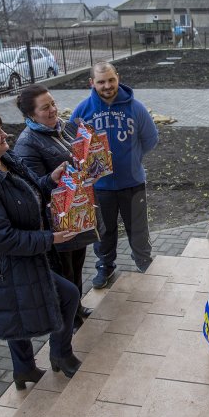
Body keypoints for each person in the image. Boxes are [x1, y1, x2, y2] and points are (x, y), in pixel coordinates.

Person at [0, 109, 83, 390]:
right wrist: (50, 239)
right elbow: (1, 237)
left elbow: (31, 193)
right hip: (2, 265)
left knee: (46, 303)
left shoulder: (5, 161)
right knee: (24, 312)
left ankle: (45, 360)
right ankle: (43, 362)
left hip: (24, 257)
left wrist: (51, 180)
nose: (4, 134)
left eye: (0, 128)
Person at [70, 62, 159, 288]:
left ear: (118, 78)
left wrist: (133, 159)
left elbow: (150, 138)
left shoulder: (135, 108)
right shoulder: (82, 111)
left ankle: (143, 260)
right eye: (101, 82)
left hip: (132, 182)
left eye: (111, 80)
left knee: (137, 227)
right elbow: (73, 145)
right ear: (92, 83)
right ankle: (105, 266)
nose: (107, 85)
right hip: (99, 187)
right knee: (104, 230)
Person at [13, 84, 94, 328]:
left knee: (78, 264)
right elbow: (33, 188)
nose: (53, 110)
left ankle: (77, 308)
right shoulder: (27, 144)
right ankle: (68, 320)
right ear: (31, 114)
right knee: (64, 273)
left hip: (75, 212)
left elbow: (79, 160)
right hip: (56, 221)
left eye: (53, 103)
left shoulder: (63, 129)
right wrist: (52, 178)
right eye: (45, 107)